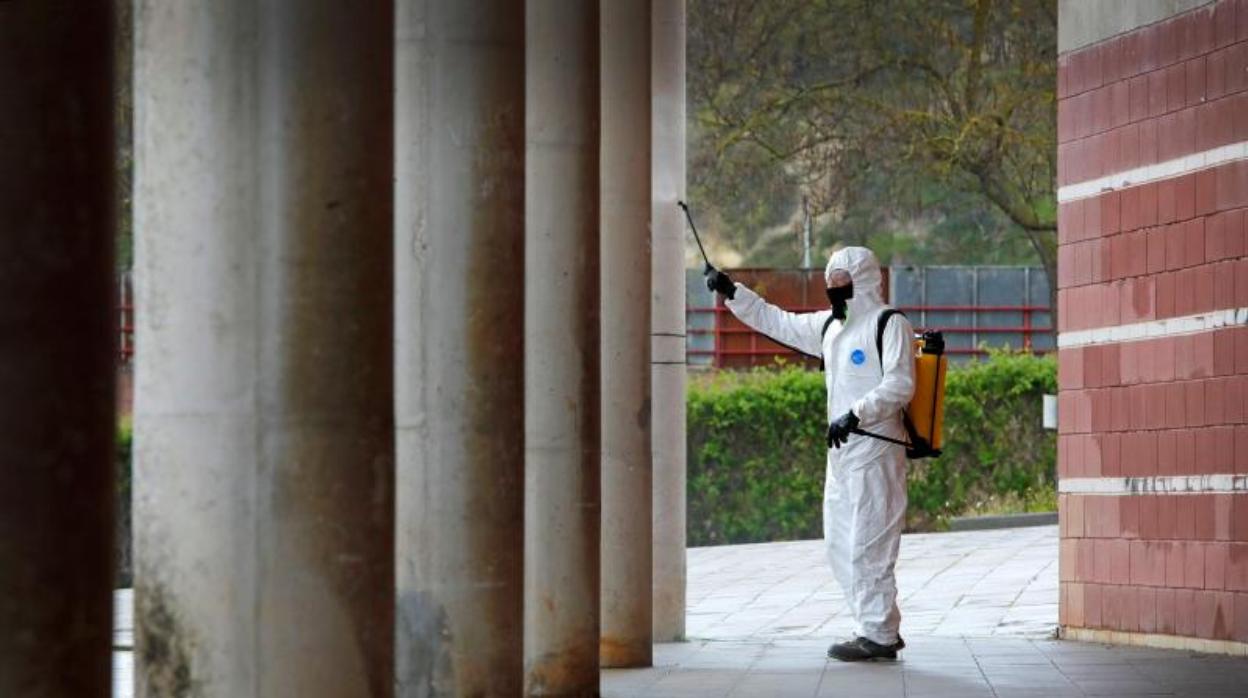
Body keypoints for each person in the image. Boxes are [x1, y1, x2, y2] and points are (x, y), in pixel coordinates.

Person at [705, 247, 915, 661]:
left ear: (864, 281)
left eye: (841, 281)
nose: (833, 288)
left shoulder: (889, 324)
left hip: (875, 452)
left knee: (869, 545)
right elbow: (777, 321)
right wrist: (733, 293)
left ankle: (880, 633)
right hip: (841, 456)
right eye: (830, 281)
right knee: (839, 544)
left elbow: (900, 383)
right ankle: (867, 626)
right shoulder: (830, 327)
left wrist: (856, 414)